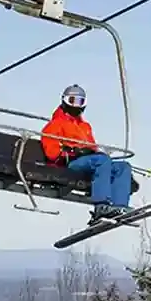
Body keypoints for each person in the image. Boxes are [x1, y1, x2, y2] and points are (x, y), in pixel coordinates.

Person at [40, 84, 133, 223]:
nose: (76, 105)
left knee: (123, 167)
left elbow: (92, 147)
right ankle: (101, 207)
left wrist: (94, 152)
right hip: (71, 163)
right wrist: (73, 151)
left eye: (80, 101)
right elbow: (52, 153)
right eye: (73, 100)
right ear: (65, 100)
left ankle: (120, 207)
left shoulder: (84, 126)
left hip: (90, 162)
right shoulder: (54, 125)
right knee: (102, 162)